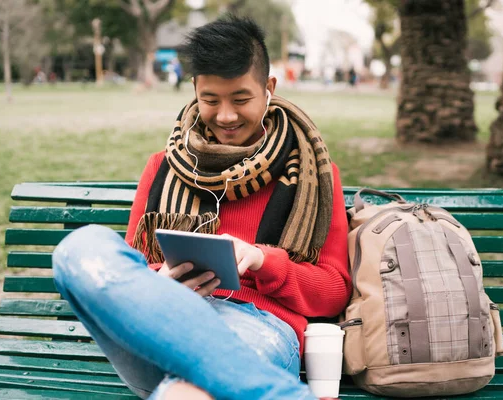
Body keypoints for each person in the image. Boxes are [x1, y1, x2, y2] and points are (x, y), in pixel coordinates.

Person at [52, 15, 351, 400]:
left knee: (187, 394)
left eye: (241, 99)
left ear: (269, 88)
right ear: (194, 89)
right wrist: (160, 285)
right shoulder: (162, 165)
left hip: (259, 329)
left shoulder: (311, 175)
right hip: (161, 324)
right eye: (211, 100)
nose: (225, 116)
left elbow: (335, 291)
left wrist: (262, 260)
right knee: (79, 249)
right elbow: (133, 266)